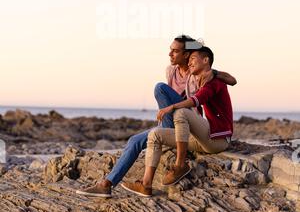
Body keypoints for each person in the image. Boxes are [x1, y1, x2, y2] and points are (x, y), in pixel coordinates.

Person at [76, 38, 236, 198]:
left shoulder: (199, 73)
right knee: (134, 141)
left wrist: (213, 72)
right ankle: (107, 184)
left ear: (187, 54)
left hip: (189, 124)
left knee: (160, 88)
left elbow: (230, 80)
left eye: (175, 51)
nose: (170, 54)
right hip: (172, 122)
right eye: (170, 49)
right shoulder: (171, 71)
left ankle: (173, 148)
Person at [121, 46, 233, 197]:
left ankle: (180, 165)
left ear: (206, 60)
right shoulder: (199, 80)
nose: (190, 63)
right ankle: (146, 184)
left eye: (193, 59)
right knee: (155, 135)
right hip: (202, 138)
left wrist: (171, 107)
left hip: (218, 140)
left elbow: (196, 101)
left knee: (181, 112)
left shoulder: (215, 81)